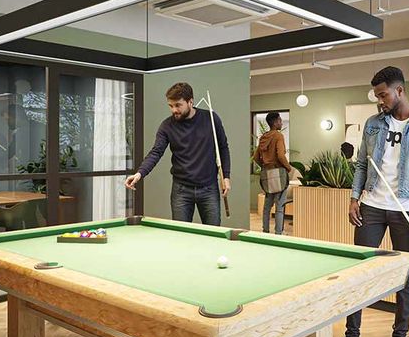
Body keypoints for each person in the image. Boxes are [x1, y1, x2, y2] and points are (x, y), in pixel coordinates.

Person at [335, 66, 409, 337]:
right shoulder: (372, 124)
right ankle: (352, 334)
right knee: (358, 271)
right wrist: (354, 198)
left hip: (406, 209)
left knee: (404, 276)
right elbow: (361, 165)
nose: (380, 101)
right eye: (377, 95)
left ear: (400, 91)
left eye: (383, 95)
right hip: (371, 205)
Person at [124, 82, 231, 226]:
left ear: (190, 102)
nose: (174, 110)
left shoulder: (211, 119)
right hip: (181, 190)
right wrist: (139, 174)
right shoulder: (166, 126)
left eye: (178, 105)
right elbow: (156, 152)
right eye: (171, 106)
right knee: (180, 235)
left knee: (213, 234)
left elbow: (223, 147)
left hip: (208, 188)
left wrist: (226, 177)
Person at [254, 112, 292, 234]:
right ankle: (278, 234)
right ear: (275, 122)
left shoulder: (263, 137)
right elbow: (280, 155)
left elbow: (255, 157)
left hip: (267, 174)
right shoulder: (278, 136)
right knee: (280, 206)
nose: (281, 122)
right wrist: (288, 168)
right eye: (280, 120)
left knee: (267, 206)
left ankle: (265, 231)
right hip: (279, 174)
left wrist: (265, 166)